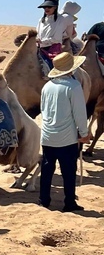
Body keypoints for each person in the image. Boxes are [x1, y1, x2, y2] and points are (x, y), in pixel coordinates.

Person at [38, 51, 91, 211]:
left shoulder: (47, 86)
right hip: (66, 138)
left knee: (47, 169)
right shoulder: (73, 86)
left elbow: (43, 110)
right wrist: (84, 133)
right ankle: (69, 202)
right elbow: (80, 113)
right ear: (71, 69)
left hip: (48, 135)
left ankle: (44, 200)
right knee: (68, 171)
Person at [37, 0, 75, 72]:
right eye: (44, 7)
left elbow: (56, 39)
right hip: (39, 48)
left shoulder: (61, 19)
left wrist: (42, 41)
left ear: (55, 7)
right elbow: (38, 33)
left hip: (53, 50)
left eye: (49, 7)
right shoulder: (41, 20)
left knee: (53, 69)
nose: (46, 9)